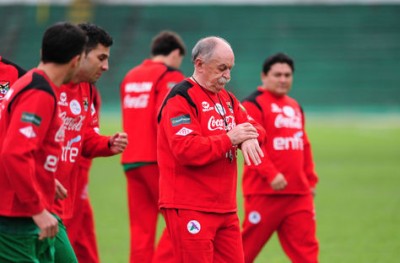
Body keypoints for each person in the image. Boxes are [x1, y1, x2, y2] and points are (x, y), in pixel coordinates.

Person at [157, 36, 265, 263]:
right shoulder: (181, 97)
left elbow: (255, 127)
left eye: (230, 69)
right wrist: (230, 138)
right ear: (199, 64)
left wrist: (247, 138)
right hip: (189, 206)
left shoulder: (226, 98)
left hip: (225, 209)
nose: (227, 76)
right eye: (222, 68)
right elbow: (186, 149)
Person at [0, 22, 86, 263]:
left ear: (42, 53)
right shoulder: (38, 93)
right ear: (76, 61)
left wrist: (43, 178)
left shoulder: (30, 82)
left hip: (24, 208)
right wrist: (37, 209)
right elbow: (14, 153)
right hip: (16, 214)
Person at [53, 23, 128, 263]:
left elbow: (86, 137)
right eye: (101, 58)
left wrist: (107, 143)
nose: (106, 66)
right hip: (33, 204)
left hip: (60, 202)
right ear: (80, 54)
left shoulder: (86, 89)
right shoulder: (42, 87)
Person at [241, 53, 319, 263]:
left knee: (307, 252)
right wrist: (271, 174)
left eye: (287, 75)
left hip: (298, 194)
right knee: (243, 252)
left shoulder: (295, 106)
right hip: (265, 193)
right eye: (278, 75)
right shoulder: (252, 104)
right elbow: (251, 145)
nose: (283, 79)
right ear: (264, 76)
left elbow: (303, 144)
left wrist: (310, 180)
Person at [120, 30, 186, 263]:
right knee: (181, 219)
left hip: (130, 160)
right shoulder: (170, 75)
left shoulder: (131, 75)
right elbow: (166, 117)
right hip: (156, 160)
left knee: (141, 231)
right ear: (176, 53)